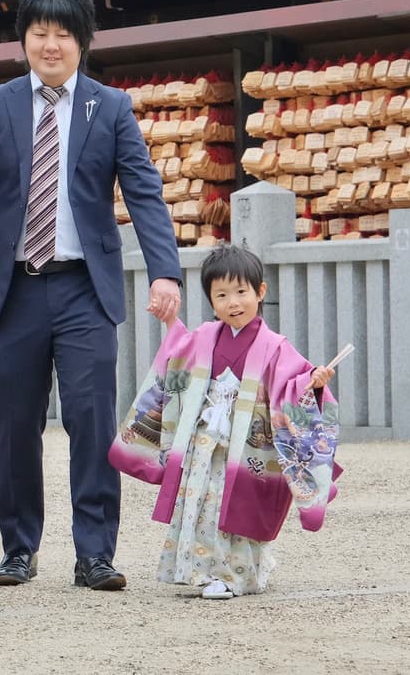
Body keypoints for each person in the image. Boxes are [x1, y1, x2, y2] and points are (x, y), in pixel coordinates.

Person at [0, 0, 183, 591]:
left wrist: (165, 272)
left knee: (91, 419)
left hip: (83, 290)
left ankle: (95, 553)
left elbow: (144, 194)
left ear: (83, 41)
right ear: (24, 39)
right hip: (11, 291)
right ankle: (18, 548)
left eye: (63, 34)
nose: (51, 45)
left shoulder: (111, 106)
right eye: (40, 32)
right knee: (14, 422)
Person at [109, 244, 341, 599]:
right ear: (211, 301)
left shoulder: (276, 346)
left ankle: (235, 574)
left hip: (249, 443)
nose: (233, 302)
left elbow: (295, 384)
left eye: (241, 292)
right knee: (203, 501)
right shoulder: (203, 337)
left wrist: (313, 384)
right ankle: (199, 570)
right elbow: (177, 360)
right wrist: (171, 323)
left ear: (260, 292)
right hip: (205, 440)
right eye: (222, 294)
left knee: (236, 504)